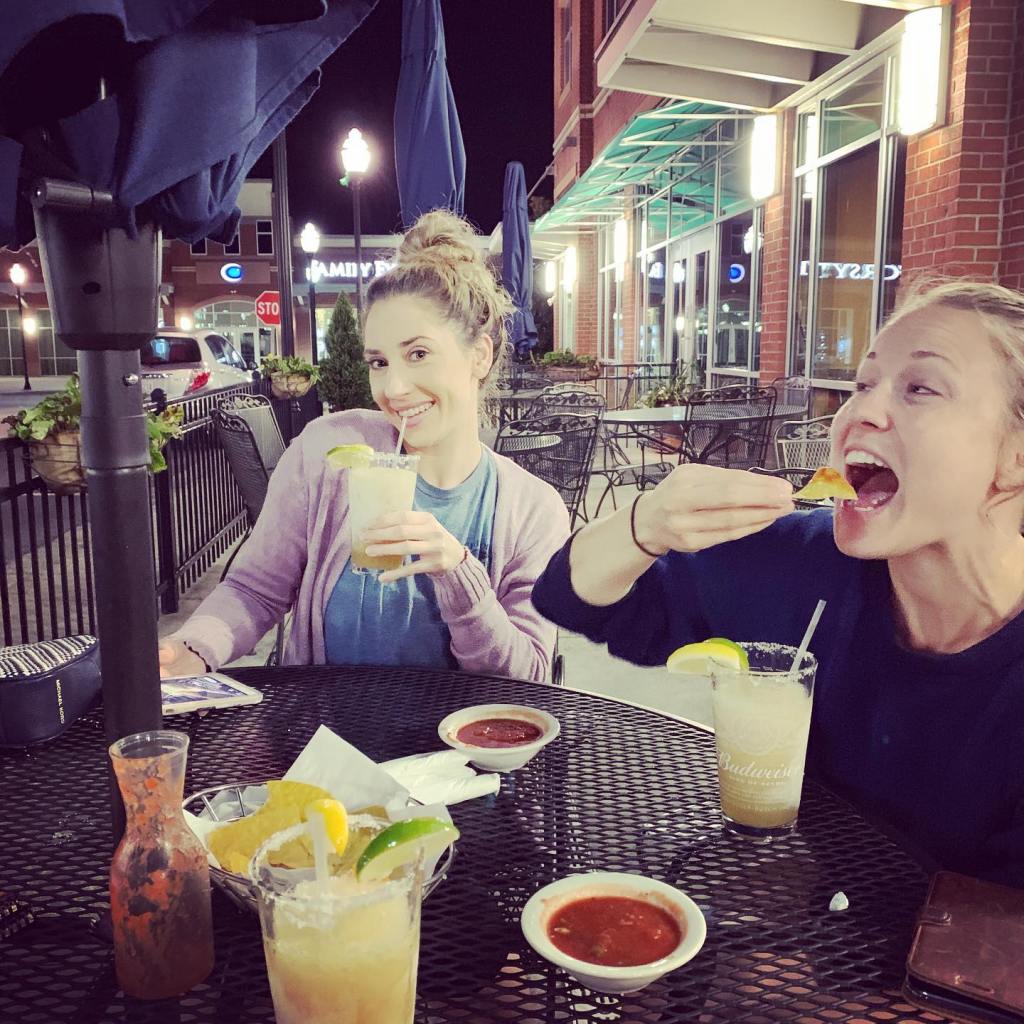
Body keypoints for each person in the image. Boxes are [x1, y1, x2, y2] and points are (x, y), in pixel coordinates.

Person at [533, 279, 1024, 886]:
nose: (859, 413)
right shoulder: (802, 560)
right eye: (862, 384)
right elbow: (571, 598)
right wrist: (646, 524)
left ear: (1015, 456)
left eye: (920, 388)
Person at [161, 210, 569, 682]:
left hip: (458, 732)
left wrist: (459, 574)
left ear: (479, 355)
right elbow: (255, 589)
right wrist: (193, 647)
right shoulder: (329, 451)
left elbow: (529, 677)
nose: (393, 388)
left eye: (418, 354)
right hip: (323, 725)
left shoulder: (533, 510)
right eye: (379, 362)